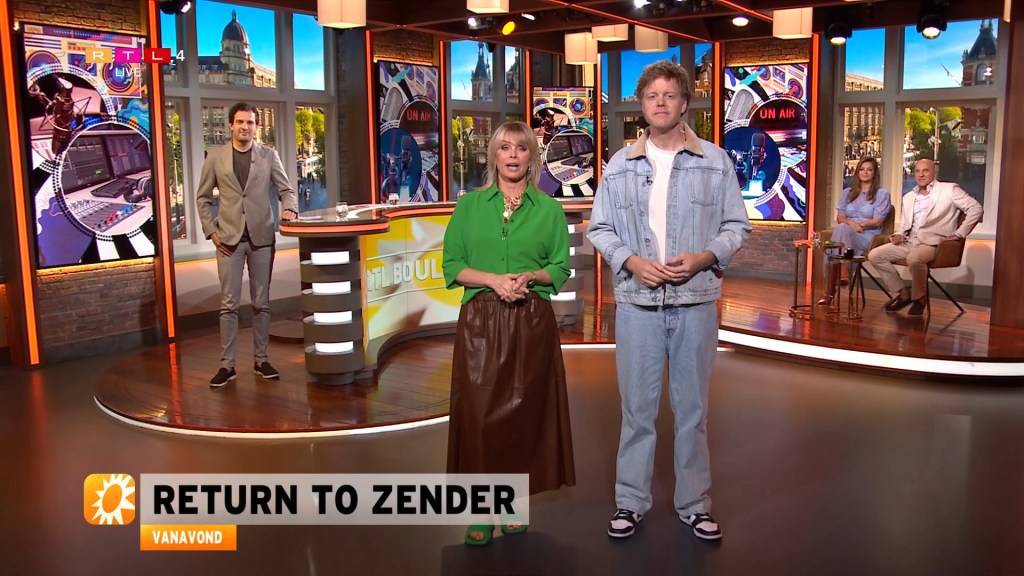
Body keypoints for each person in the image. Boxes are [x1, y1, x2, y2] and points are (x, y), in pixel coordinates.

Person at [587, 60, 750, 542]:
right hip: (637, 304)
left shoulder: (715, 161)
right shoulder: (619, 166)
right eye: (652, 96)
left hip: (695, 303)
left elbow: (737, 226)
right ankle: (630, 502)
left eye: (670, 95)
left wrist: (705, 257)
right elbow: (600, 228)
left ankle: (695, 504)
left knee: (692, 411)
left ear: (684, 104)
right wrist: (632, 262)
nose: (660, 103)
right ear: (642, 105)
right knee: (636, 412)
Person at [442, 121, 575, 546]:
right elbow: (452, 265)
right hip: (480, 322)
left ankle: (513, 504)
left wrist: (530, 276)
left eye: (521, 147)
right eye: (505, 147)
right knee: (480, 417)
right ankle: (483, 508)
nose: (513, 155)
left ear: (532, 156)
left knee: (523, 416)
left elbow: (560, 266)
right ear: (494, 156)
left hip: (531, 321)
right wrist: (493, 280)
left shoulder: (549, 209)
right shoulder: (469, 206)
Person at [196, 102, 298, 387]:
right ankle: (227, 366)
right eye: (240, 122)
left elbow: (286, 190)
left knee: (261, 303)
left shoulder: (269, 155)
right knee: (228, 305)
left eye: (250, 122)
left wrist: (290, 209)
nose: (245, 127)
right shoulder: (215, 157)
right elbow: (202, 198)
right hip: (227, 240)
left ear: (256, 126)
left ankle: (261, 360)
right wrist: (211, 232)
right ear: (231, 125)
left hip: (261, 239)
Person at [867, 158, 983, 316]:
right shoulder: (908, 197)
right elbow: (904, 224)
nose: (921, 175)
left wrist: (959, 234)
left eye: (925, 171)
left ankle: (919, 298)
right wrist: (898, 234)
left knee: (914, 258)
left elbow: (976, 209)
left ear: (934, 172)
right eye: (917, 171)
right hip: (909, 242)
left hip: (932, 243)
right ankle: (903, 293)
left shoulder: (949, 190)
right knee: (875, 255)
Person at [817, 157, 891, 305]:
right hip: (847, 233)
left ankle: (829, 290)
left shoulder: (882, 194)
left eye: (869, 170)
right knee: (842, 228)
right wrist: (851, 223)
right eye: (862, 169)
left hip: (867, 236)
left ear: (875, 173)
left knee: (837, 237)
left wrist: (860, 225)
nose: (865, 172)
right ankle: (842, 272)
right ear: (857, 172)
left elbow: (878, 220)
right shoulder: (847, 192)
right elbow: (840, 217)